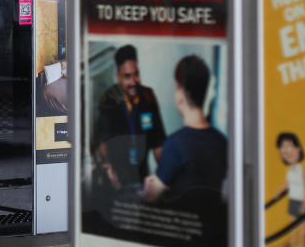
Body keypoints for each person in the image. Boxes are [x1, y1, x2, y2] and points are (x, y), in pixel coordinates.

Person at [142, 55, 226, 204]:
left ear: (180, 95)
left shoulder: (175, 145)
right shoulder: (222, 142)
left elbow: (151, 197)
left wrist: (150, 186)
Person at [91, 45, 167, 193]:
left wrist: (164, 177)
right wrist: (109, 170)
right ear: (118, 76)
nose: (133, 81)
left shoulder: (148, 96)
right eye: (127, 76)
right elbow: (102, 142)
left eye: (136, 74)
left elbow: (158, 143)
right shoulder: (109, 100)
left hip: (143, 179)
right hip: (117, 182)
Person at [275, 132, 305, 247]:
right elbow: (286, 184)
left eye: (289, 148)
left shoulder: (300, 169)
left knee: (301, 224)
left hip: (300, 199)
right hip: (292, 199)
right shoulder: (289, 170)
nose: (286, 153)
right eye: (282, 150)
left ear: (298, 148)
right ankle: (293, 241)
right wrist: (278, 193)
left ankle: (302, 245)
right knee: (292, 222)